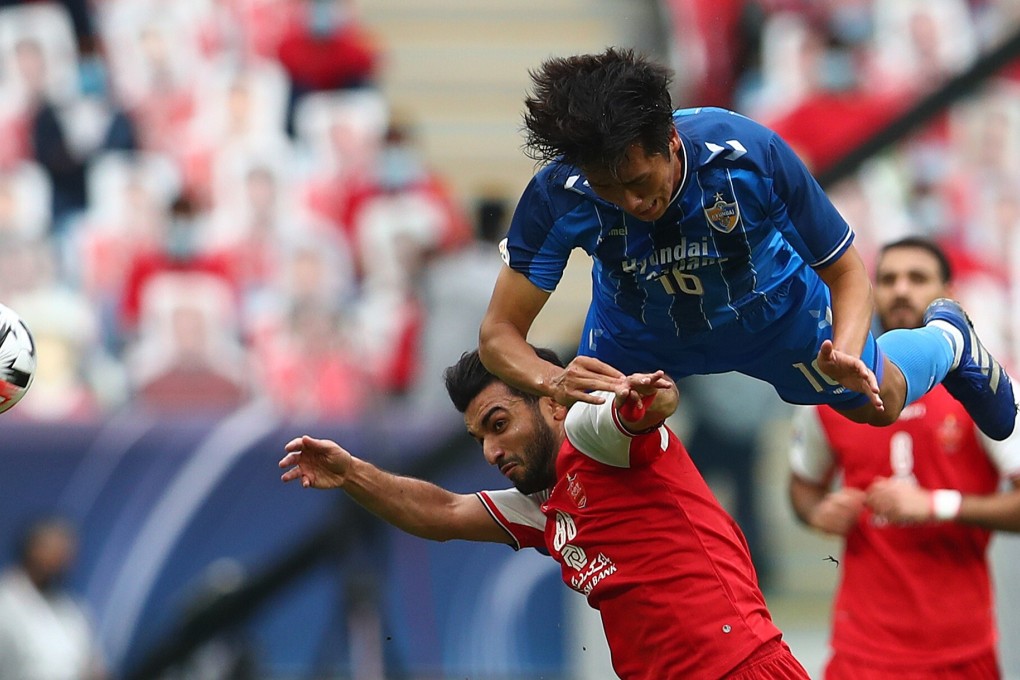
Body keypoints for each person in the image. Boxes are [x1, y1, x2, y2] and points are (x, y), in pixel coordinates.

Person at [477, 47, 1016, 443]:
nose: (629, 202)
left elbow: (847, 272)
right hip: (637, 336)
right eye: (607, 189)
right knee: (584, 443)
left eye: (638, 181)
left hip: (776, 317)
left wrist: (849, 351)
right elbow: (498, 335)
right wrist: (554, 379)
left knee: (881, 404)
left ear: (670, 141)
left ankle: (949, 339)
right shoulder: (558, 193)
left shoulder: (748, 154)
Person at [280, 348, 809, 679]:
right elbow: (442, 512)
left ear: (552, 403)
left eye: (499, 424)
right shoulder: (543, 508)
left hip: (738, 668)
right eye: (480, 438)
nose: (491, 451)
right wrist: (352, 473)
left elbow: (636, 413)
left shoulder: (591, 434)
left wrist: (653, 401)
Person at [788, 237, 1020, 679]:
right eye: (888, 279)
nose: (901, 290)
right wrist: (818, 511)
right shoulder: (839, 390)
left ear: (948, 293)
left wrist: (936, 504)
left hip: (958, 652)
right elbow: (802, 484)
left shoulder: (987, 392)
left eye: (917, 278)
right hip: (860, 652)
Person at [0, 515, 108, 680]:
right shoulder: (5, 602)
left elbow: (96, 667)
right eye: (57, 550)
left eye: (67, 553)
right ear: (33, 549)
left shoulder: (72, 608)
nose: (64, 559)